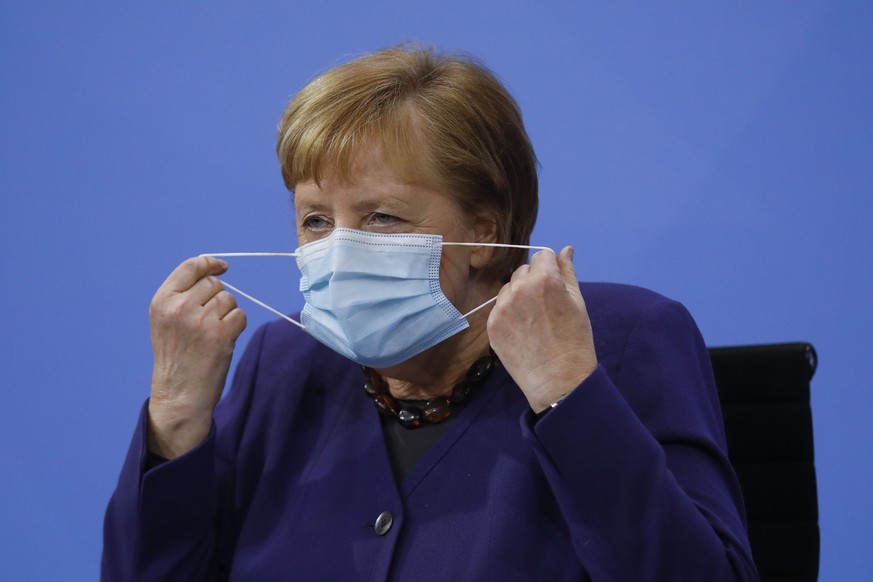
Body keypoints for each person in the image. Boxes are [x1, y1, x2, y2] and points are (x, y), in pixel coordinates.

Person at [102, 45, 759, 581]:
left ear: (482, 231)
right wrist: (177, 414)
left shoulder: (623, 340)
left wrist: (568, 394)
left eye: (380, 217)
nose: (338, 249)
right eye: (314, 221)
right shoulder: (285, 363)